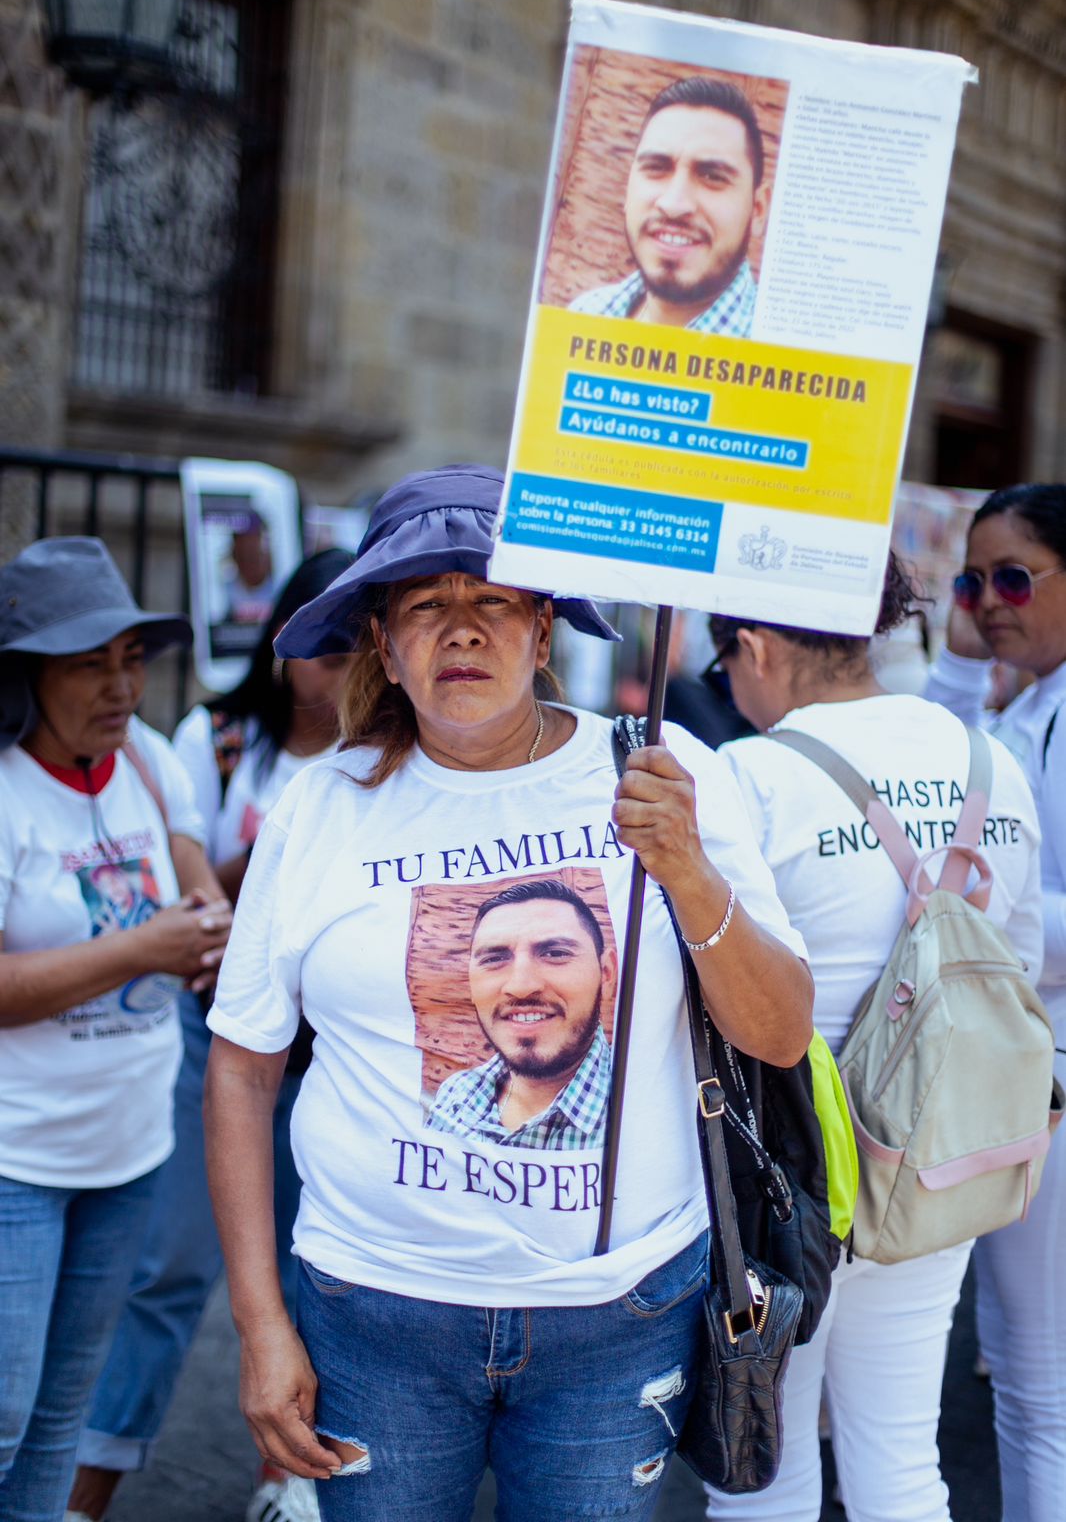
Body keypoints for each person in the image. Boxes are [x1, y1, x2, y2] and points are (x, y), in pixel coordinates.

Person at [202, 461, 812, 1522]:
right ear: (384, 647)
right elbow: (243, 1069)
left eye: (493, 600)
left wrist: (689, 872)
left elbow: (782, 1028)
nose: (463, 628)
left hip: (615, 1316)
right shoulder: (321, 805)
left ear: (543, 631)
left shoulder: (665, 776)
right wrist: (261, 1325)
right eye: (426, 606)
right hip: (373, 1314)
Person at [700, 553, 1043, 1522]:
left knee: (761, 1458)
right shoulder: (988, 759)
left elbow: (715, 984)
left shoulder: (750, 774)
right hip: (939, 1154)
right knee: (898, 1454)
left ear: (755, 646)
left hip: (787, 1171)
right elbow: (1009, 962)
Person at [68, 550, 356, 1522]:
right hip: (224, 1034)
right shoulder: (220, 738)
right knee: (172, 1268)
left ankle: (286, 1483)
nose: (343, 658)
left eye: (360, 637)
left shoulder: (397, 753)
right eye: (325, 637)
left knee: (316, 1273)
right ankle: (84, 1490)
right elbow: (183, 889)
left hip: (339, 1055)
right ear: (283, 638)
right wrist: (281, 848)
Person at [0, 536, 231, 1522]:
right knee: (4, 1414)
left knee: (61, 1414)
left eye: (131, 658)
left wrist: (208, 929)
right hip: (17, 1159)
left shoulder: (143, 759)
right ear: (26, 676)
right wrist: (147, 947)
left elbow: (198, 894)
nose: (119, 685)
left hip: (129, 1149)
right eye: (88, 663)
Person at [924, 483, 1066, 1522]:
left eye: (1012, 576)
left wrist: (983, 917)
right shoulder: (1026, 701)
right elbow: (928, 769)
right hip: (1017, 1061)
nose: (988, 599)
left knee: (1037, 1373)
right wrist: (964, 656)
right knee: (1019, 1363)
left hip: (1044, 1062)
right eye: (971, 581)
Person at [568, 76, 769, 337]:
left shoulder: (782, 350)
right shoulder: (586, 315)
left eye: (712, 177)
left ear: (758, 210)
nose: (674, 205)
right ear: (628, 190)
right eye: (656, 168)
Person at [427, 877, 617, 1149]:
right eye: (494, 959)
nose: (521, 987)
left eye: (555, 953)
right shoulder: (456, 1097)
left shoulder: (643, 1107)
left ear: (607, 975)